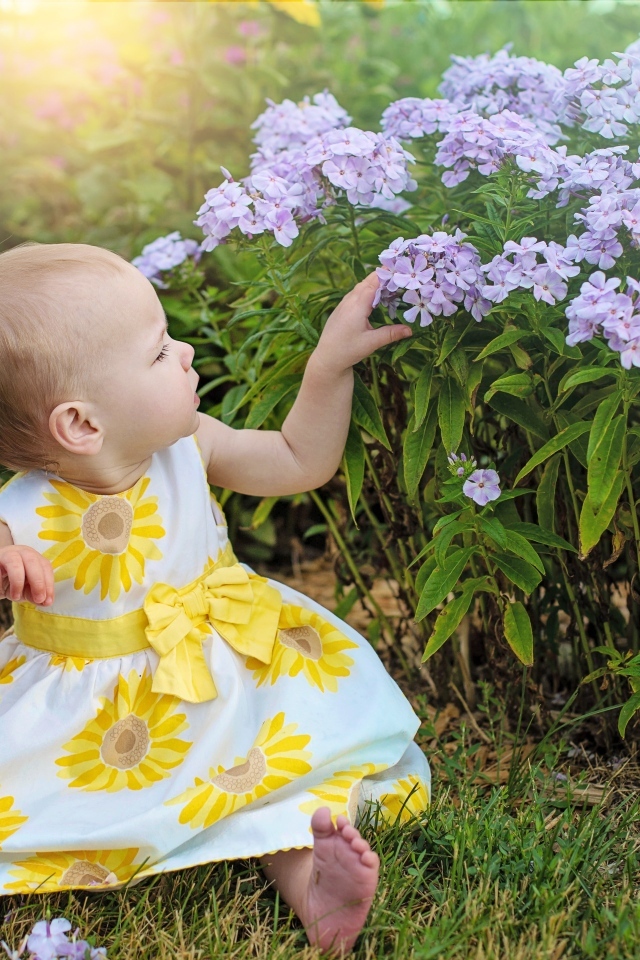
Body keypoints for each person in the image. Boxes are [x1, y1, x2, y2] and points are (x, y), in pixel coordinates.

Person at [0, 242, 430, 955]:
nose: (187, 350)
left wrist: (328, 367)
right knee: (59, 811)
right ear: (82, 424)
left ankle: (311, 884)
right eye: (158, 352)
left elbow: (300, 458)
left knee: (278, 784)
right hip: (97, 723)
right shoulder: (26, 507)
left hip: (227, 682)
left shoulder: (190, 444)